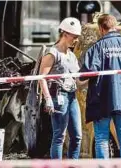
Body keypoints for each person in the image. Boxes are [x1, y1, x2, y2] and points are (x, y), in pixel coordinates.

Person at [80, 14, 121, 159]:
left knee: (101, 139)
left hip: (102, 99)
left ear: (101, 28)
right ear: (115, 26)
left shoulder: (98, 47)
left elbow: (89, 72)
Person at [38, 17, 83, 159]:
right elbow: (41, 77)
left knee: (77, 136)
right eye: (74, 37)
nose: (76, 40)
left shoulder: (71, 56)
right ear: (65, 34)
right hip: (58, 96)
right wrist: (48, 99)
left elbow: (78, 82)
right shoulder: (53, 53)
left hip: (72, 96)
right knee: (59, 136)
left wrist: (93, 79)